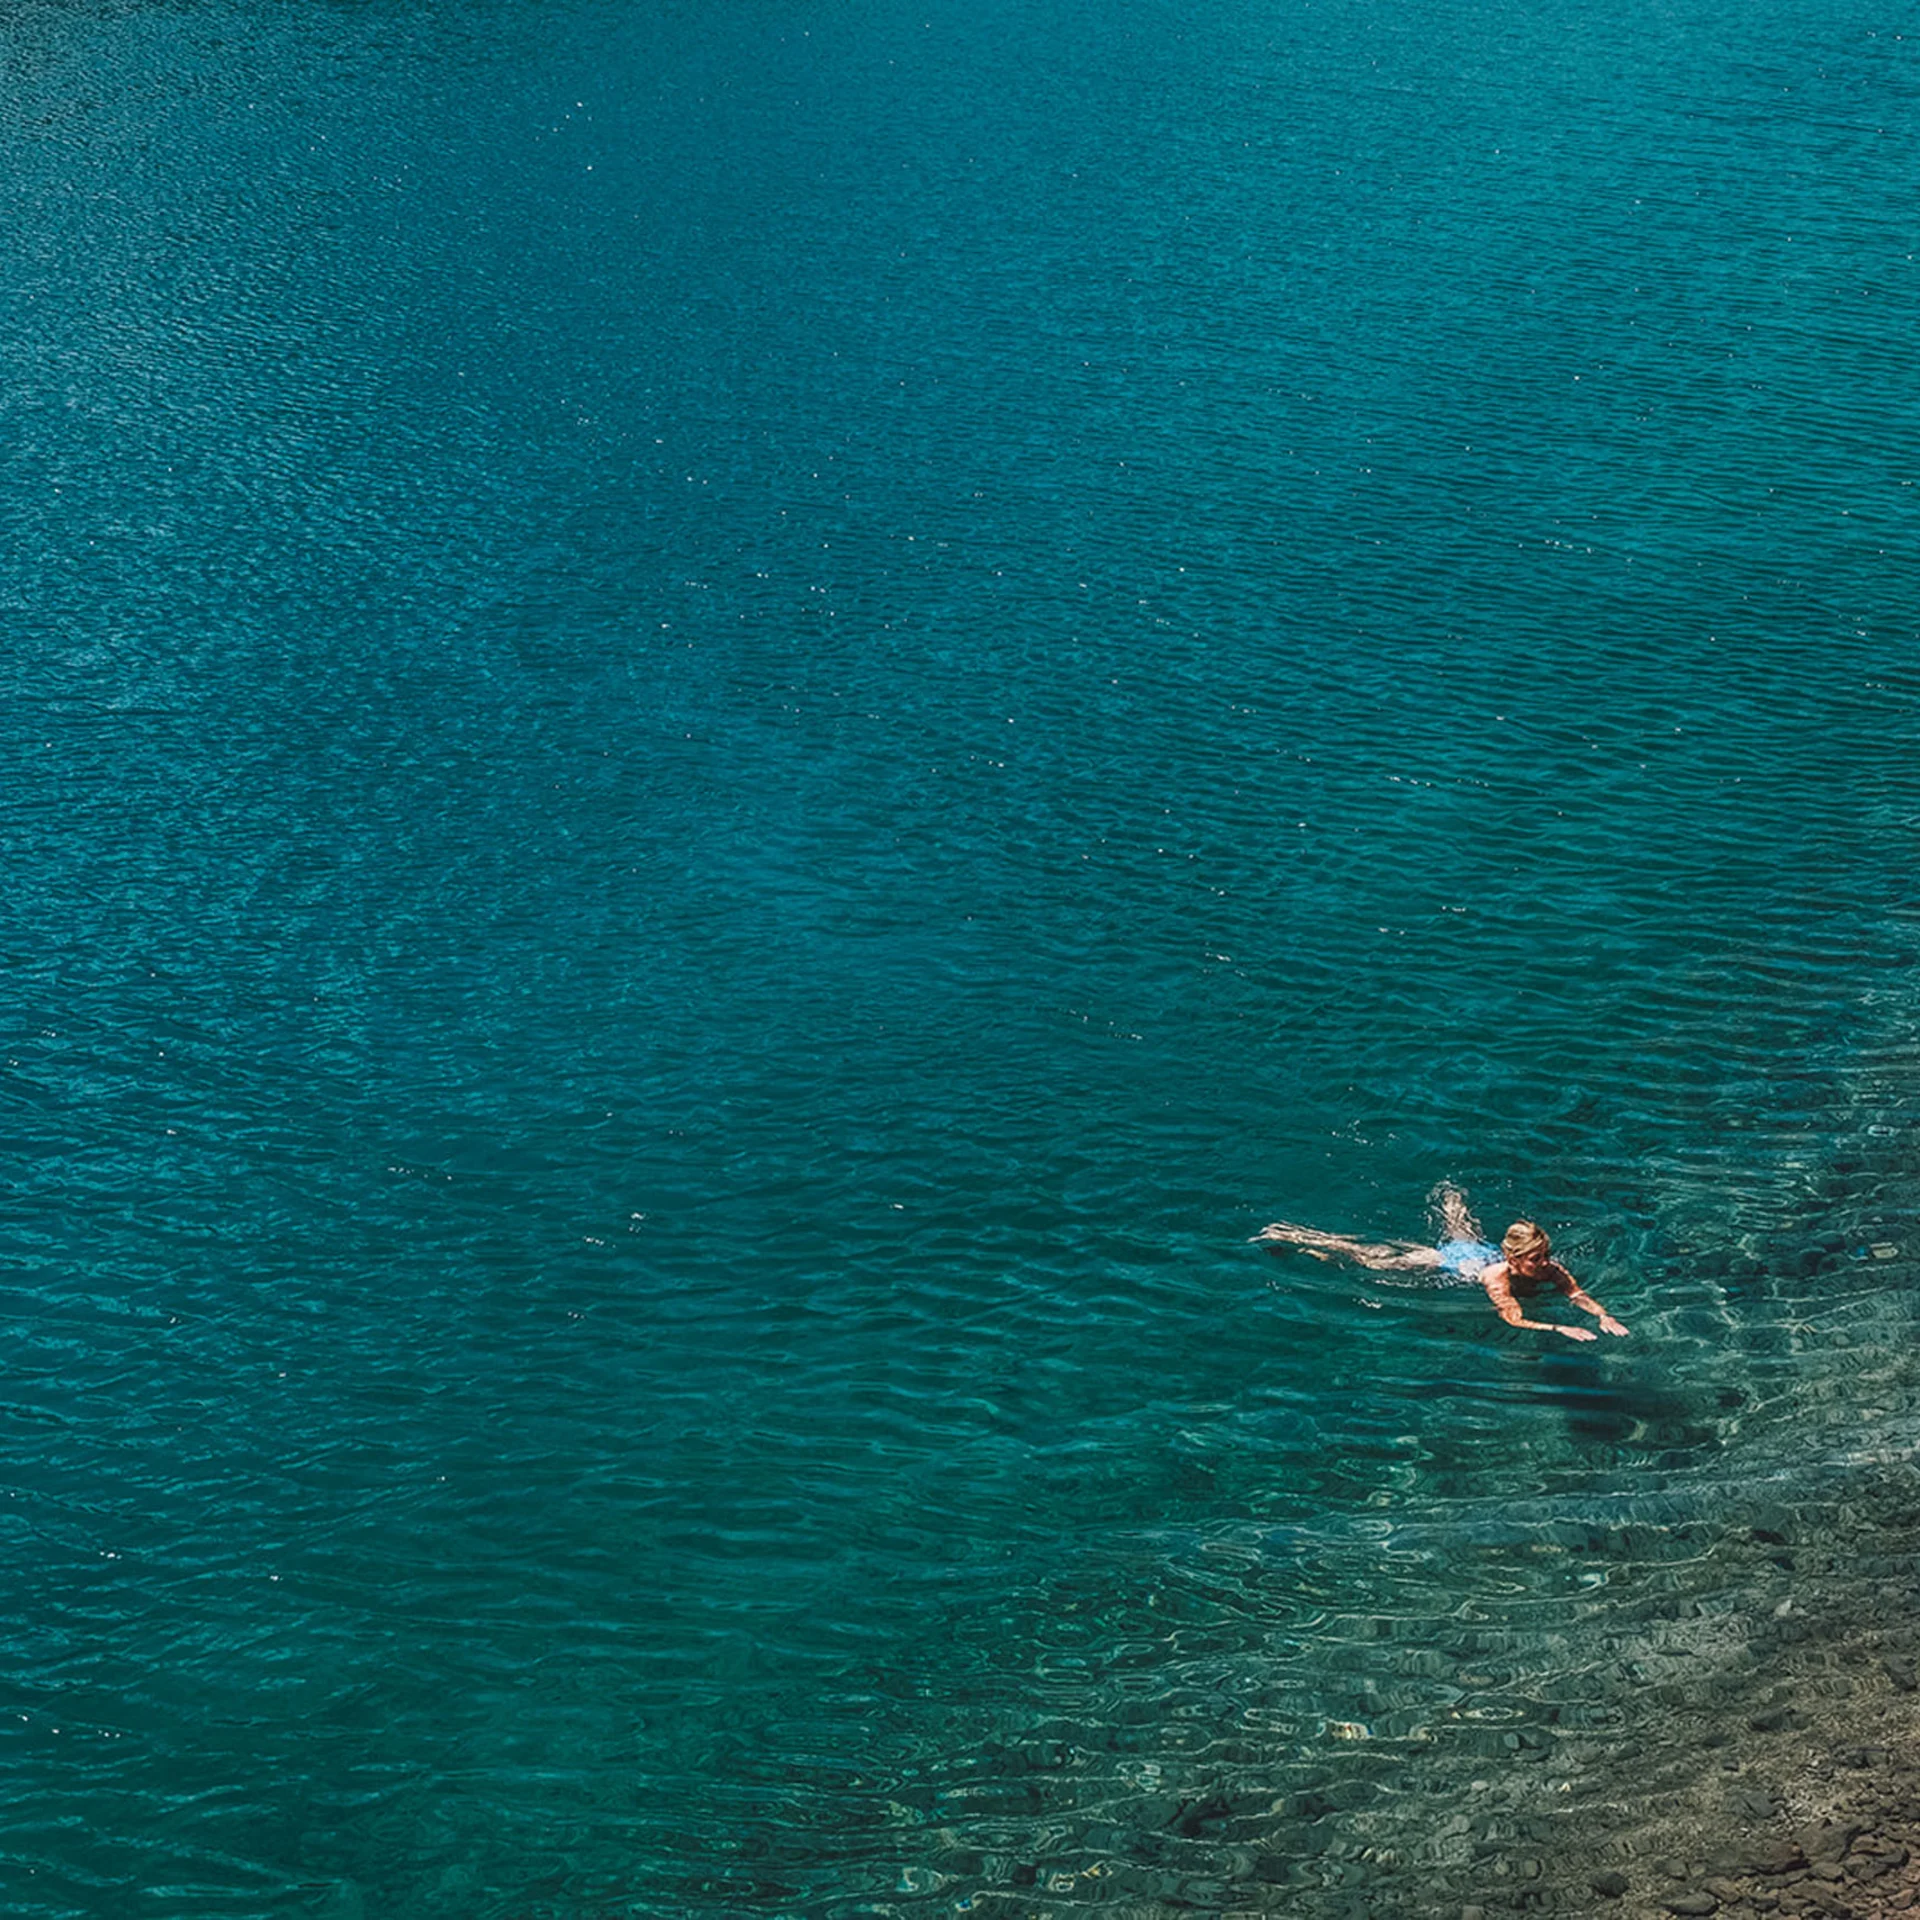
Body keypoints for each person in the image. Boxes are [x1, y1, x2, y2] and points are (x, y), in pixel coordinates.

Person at [1254, 1185, 1629, 1342]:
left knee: (1459, 1226)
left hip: (1475, 1249)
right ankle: (1295, 1235)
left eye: (1545, 1254)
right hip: (1447, 1263)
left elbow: (1576, 1292)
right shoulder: (1497, 1276)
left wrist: (1601, 1315)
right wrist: (1557, 1328)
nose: (1545, 1262)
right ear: (1514, 1258)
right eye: (1536, 1258)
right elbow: (1511, 1317)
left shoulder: (1549, 1268)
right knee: (1370, 1260)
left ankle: (1452, 1198)